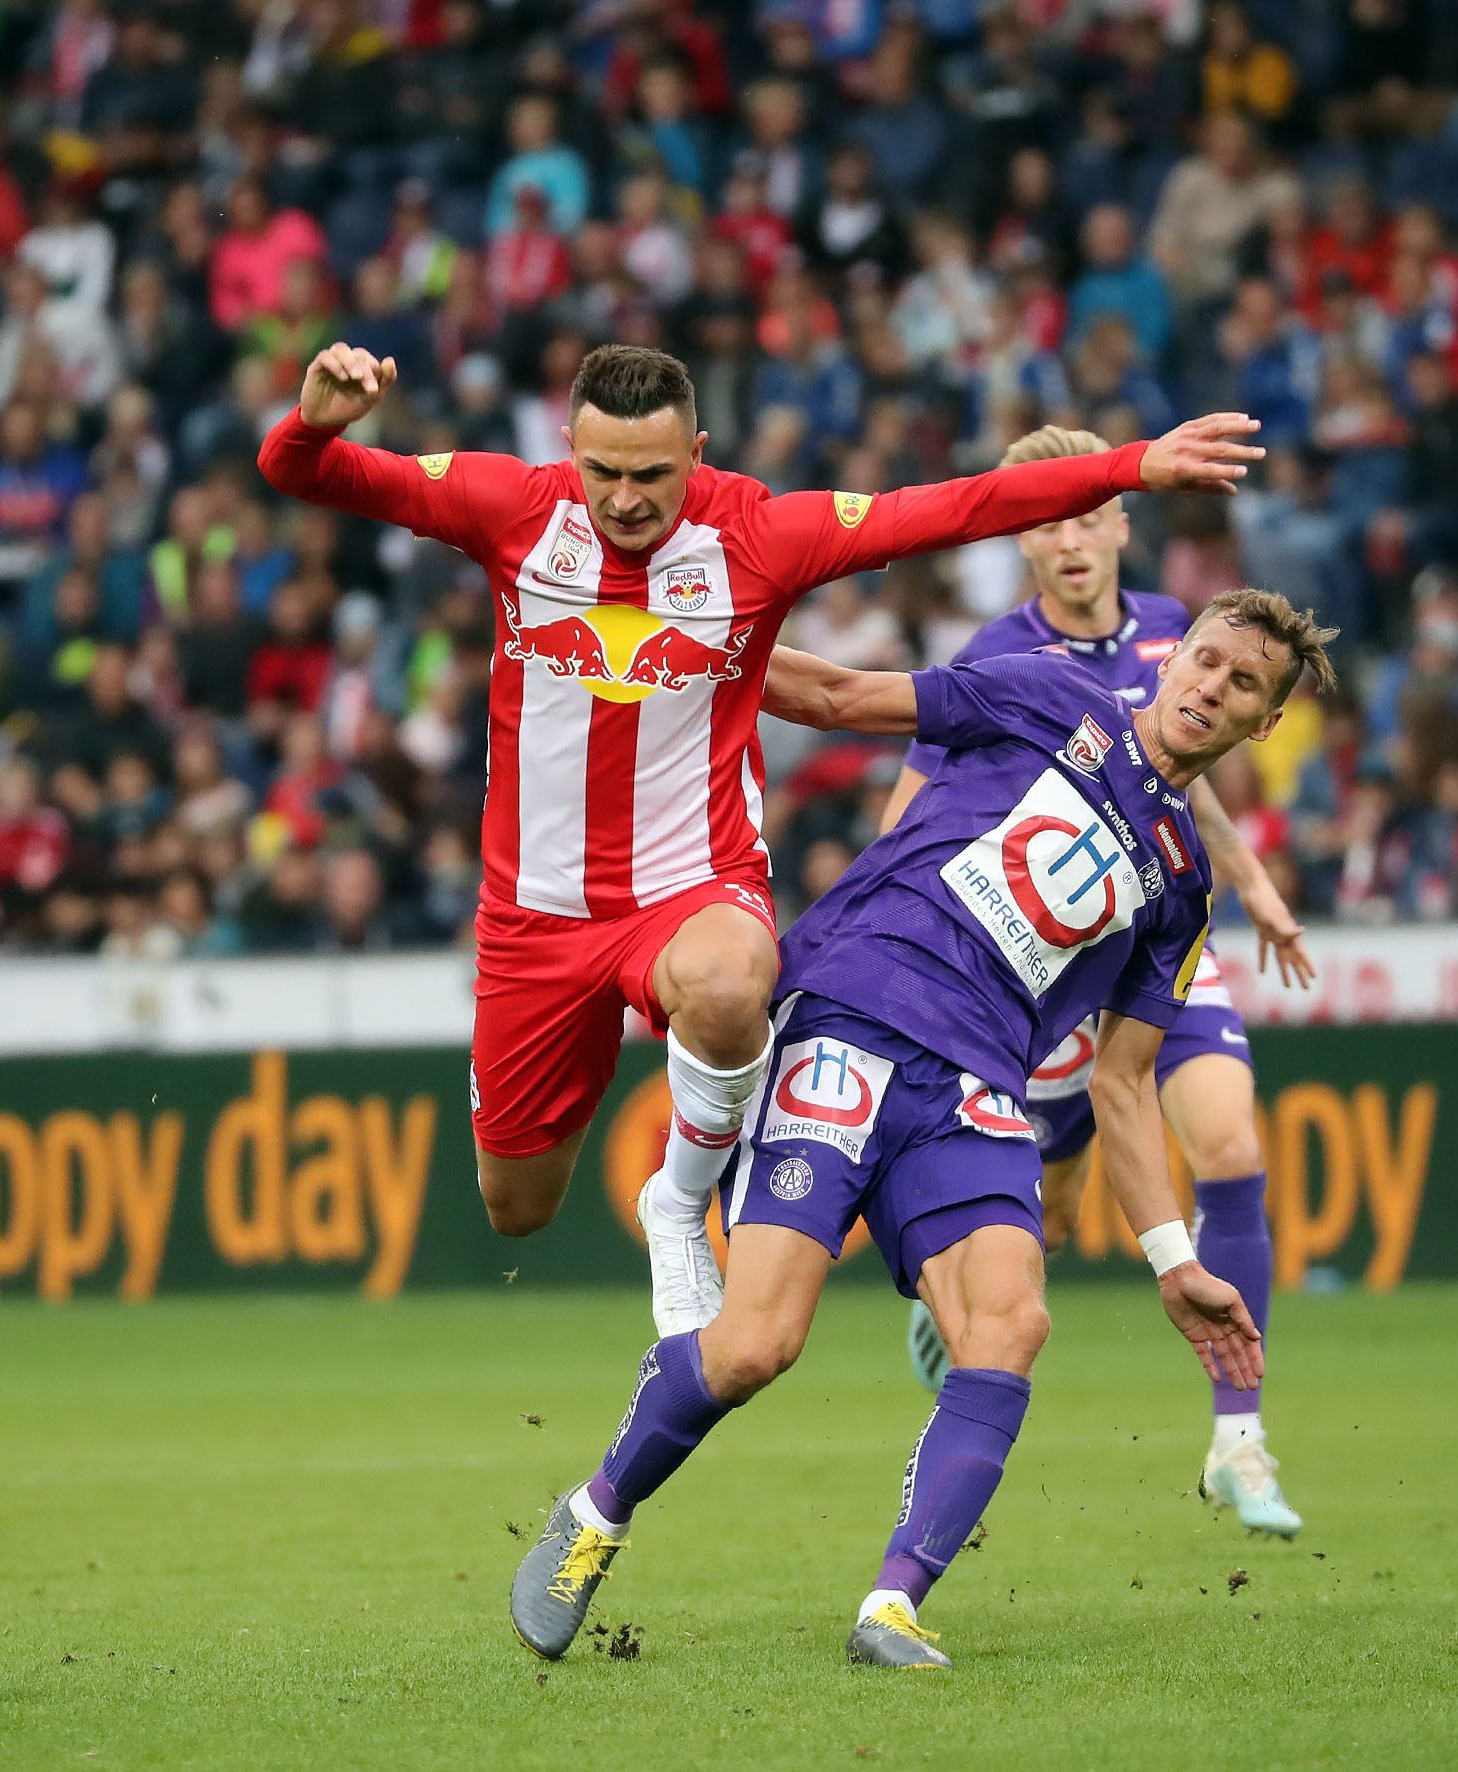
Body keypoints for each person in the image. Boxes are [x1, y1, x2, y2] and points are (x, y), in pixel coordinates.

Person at [257, 340, 1267, 1343]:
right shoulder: (511, 507)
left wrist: (1129, 464)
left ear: (695, 453)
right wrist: (314, 419)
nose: (623, 498)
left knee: (737, 975)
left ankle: (678, 1201)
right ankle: (633, 1164)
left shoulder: (759, 534)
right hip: (533, 914)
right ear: (568, 449)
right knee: (516, 1204)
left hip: (690, 886)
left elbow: (951, 507)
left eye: (651, 474)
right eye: (602, 471)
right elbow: (294, 469)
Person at [510, 588, 1337, 1670]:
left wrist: (1170, 1258)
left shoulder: (1179, 884)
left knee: (1008, 1323)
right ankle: (593, 1511)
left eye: (1241, 684)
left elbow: (1125, 1083)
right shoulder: (1049, 694)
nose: (1210, 687)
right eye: (1206, 659)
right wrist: (675, 650)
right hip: (847, 1013)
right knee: (756, 1343)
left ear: (1263, 722)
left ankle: (891, 1603)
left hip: (975, 1087)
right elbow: (845, 694)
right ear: (1173, 655)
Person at [870, 426, 1306, 1537]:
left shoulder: (1179, 634)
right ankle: (952, 1332)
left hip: (1161, 933)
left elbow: (1188, 782)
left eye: (1084, 515)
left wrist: (1248, 882)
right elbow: (919, 789)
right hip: (1045, 960)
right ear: (1022, 540)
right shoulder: (997, 652)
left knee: (1229, 1148)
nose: (1068, 540)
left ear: (1119, 522)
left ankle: (1237, 1440)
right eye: (1044, 520)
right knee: (1051, 1219)